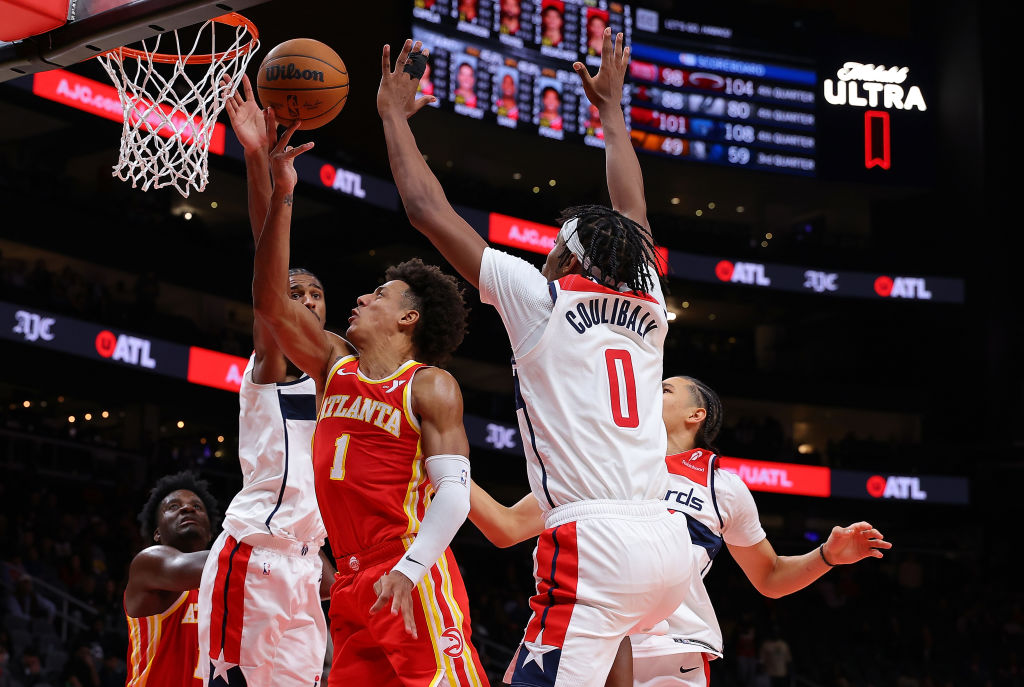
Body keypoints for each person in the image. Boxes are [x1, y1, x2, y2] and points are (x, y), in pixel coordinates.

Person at [378, 32, 692, 687]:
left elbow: (426, 209)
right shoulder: (650, 296)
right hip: (665, 542)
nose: (546, 253)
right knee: (609, 653)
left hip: (593, 542)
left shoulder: (542, 297)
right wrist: (611, 117)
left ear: (569, 258)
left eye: (554, 245)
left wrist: (391, 117)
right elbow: (633, 211)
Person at [251, 107, 488, 685]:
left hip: (407, 567)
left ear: (408, 317)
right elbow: (271, 305)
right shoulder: (335, 366)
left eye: (378, 294)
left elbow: (454, 496)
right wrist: (280, 191)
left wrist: (409, 570)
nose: (360, 297)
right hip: (352, 582)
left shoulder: (429, 385)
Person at [468, 376, 893, 687]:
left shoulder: (722, 487)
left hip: (671, 651)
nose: (650, 385)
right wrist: (443, 468)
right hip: (588, 634)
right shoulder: (595, 464)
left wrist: (827, 557)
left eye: (666, 388)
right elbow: (505, 528)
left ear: (696, 414)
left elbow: (770, 578)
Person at [197, 74, 335, 687]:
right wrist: (261, 164)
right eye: (295, 291)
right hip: (254, 558)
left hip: (308, 571)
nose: (303, 299)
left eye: (316, 293)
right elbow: (266, 269)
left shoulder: (342, 372)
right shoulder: (273, 360)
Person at [124, 471, 219, 687]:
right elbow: (226, 561)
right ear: (157, 533)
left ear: (210, 533)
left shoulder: (227, 583)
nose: (187, 508)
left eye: (197, 507)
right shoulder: (148, 563)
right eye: (173, 507)